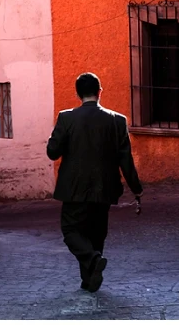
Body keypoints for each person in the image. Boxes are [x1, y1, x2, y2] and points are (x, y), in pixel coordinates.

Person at [46, 72, 143, 293]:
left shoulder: (66, 118)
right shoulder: (118, 121)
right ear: (100, 92)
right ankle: (89, 279)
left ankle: (92, 260)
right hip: (105, 188)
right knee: (96, 232)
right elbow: (125, 160)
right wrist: (136, 188)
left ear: (77, 93)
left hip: (73, 188)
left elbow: (53, 152)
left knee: (71, 230)